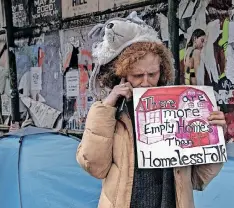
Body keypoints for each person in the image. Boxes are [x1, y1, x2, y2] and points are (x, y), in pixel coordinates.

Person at [76, 12, 226, 208]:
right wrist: (107, 106)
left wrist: (215, 136)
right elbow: (94, 166)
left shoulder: (182, 108)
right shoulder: (113, 113)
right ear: (122, 74)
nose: (146, 82)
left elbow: (199, 179)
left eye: (152, 74)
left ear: (162, 71)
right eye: (137, 75)